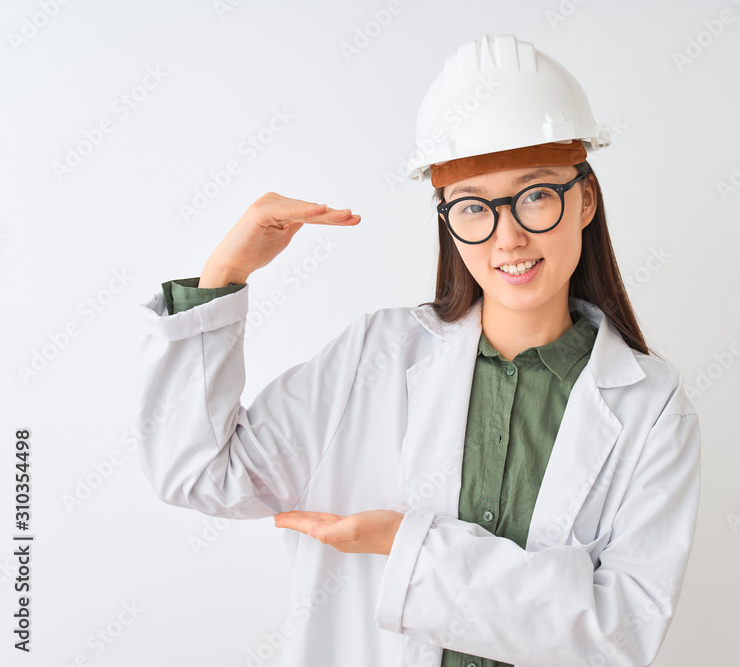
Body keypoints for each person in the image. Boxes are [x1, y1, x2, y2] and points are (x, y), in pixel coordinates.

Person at [136, 34, 701, 667]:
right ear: (447, 220)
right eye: (472, 206)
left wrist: (410, 549)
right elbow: (199, 474)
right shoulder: (374, 356)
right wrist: (223, 276)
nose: (507, 236)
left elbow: (618, 636)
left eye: (536, 194)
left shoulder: (651, 407)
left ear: (585, 200)